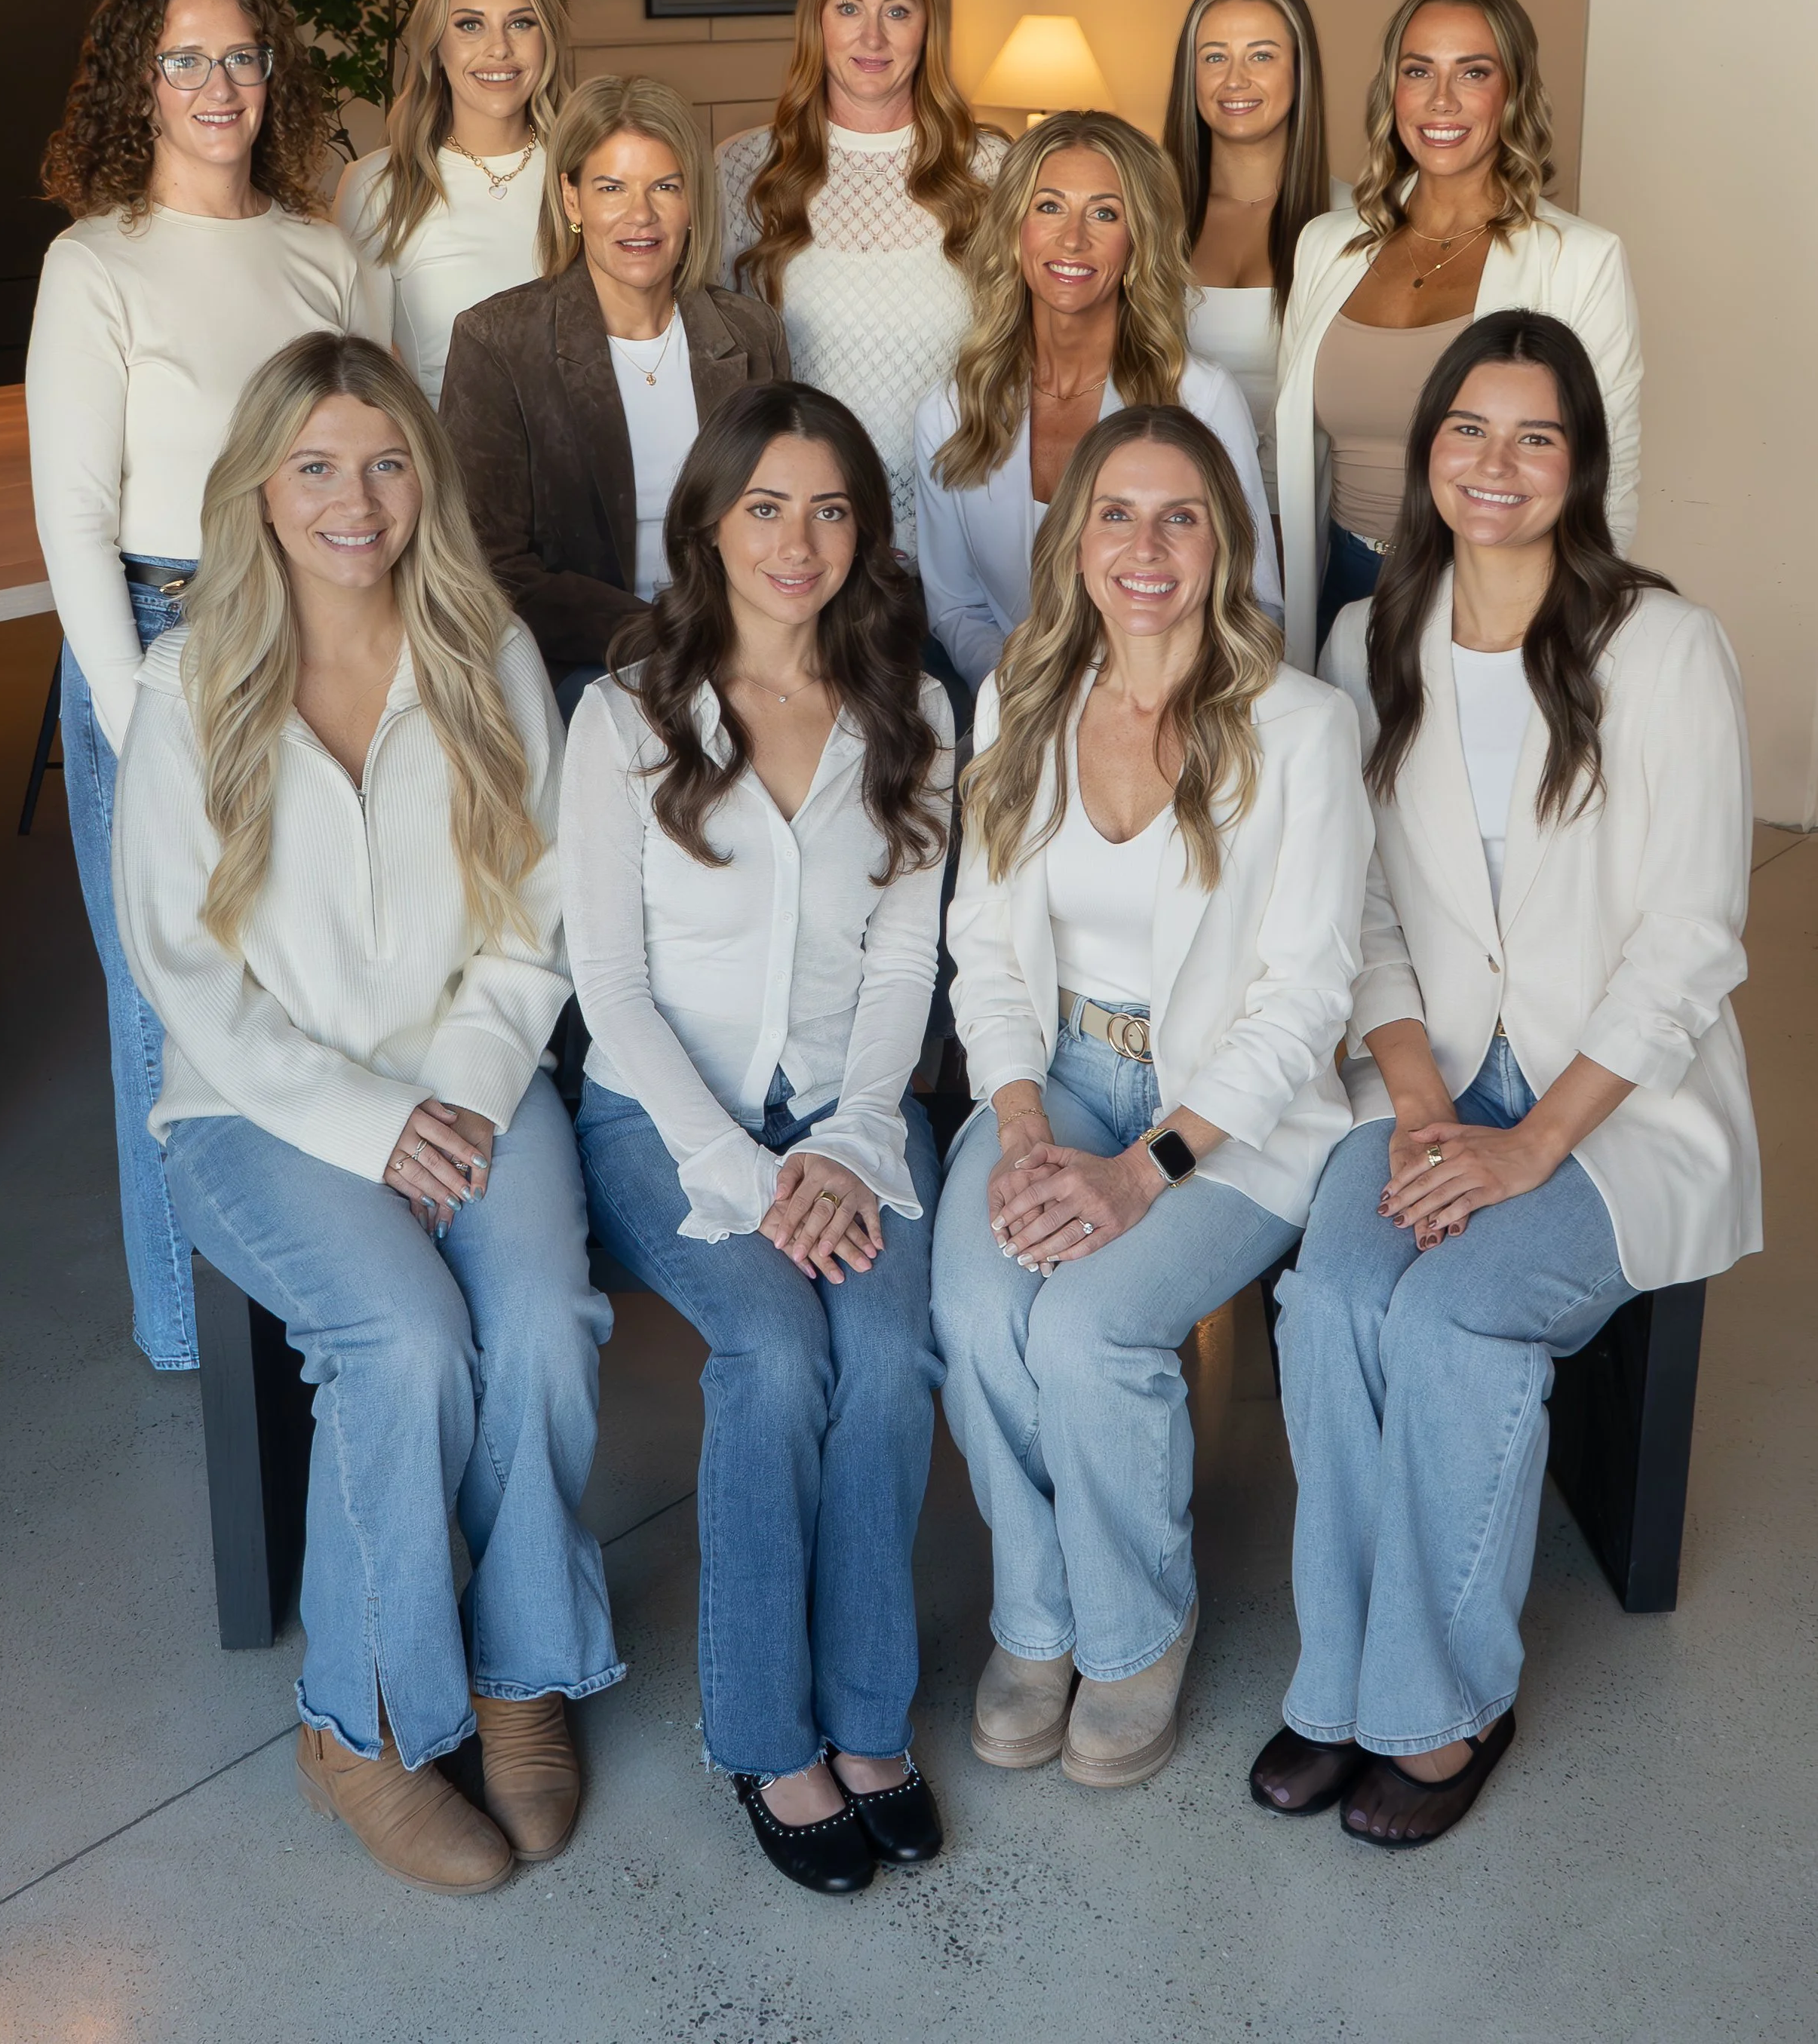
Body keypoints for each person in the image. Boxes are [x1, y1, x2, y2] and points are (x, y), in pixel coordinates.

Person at [112, 333, 620, 1896]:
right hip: (257, 1109)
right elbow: (182, 974)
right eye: (317, 466)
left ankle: (522, 1674)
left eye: (387, 462)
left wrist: (454, 1098)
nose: (356, 498)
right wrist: (361, 1126)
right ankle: (362, 1722)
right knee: (402, 1342)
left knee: (534, 1319)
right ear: (257, 490)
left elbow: (540, 919)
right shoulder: (186, 684)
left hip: (470, 1075)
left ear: (426, 481)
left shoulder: (487, 655)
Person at [1253, 311, 1759, 1849]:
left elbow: (1688, 940)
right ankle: (1336, 1681)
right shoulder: (1363, 642)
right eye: (1468, 430)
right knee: (1333, 1295)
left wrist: (1529, 1143)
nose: (1496, 463)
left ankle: (1445, 1702)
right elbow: (1370, 917)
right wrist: (1414, 1106)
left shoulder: (1662, 648)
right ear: (1423, 456)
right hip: (1426, 1080)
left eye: (1534, 436)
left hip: (1608, 1113)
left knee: (1453, 1311)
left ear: (1578, 467)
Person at [932, 404, 1369, 1791]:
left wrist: (1141, 1170)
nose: (1147, 544)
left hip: (1234, 1112)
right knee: (980, 1306)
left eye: (1181, 515)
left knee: (1092, 1331)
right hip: (1054, 1068)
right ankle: (1040, 1616)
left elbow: (1305, 1000)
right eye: (1117, 512)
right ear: (1074, 540)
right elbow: (986, 950)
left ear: (1224, 544)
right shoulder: (1022, 697)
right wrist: (1019, 1127)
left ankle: (1134, 1630)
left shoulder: (1301, 728)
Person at [560, 380, 954, 1895]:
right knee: (778, 1357)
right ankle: (760, 1732)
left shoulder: (913, 712)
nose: (798, 541)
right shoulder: (625, 718)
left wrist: (851, 1147)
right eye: (765, 507)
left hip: (847, 1126)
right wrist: (744, 1172)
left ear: (866, 530)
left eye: (832, 507)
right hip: (667, 1123)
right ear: (708, 525)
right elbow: (609, 987)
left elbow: (904, 967)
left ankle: (866, 1716)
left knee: (888, 1352)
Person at [29, 0, 382, 1371]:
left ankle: (328, 1283)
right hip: (164, 634)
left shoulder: (324, 252)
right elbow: (75, 514)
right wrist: (134, 725)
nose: (219, 87)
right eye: (185, 61)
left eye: (242, 58)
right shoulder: (94, 259)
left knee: (308, 965)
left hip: (316, 625)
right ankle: (188, 1333)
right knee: (164, 991)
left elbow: (375, 461)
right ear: (140, 83)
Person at [1272, 0, 1642, 670]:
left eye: (1473, 72)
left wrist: (1580, 644)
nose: (1442, 100)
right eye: (1420, 71)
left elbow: (1609, 480)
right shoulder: (1326, 244)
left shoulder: (1579, 261)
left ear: (1514, 93)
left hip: (1496, 599)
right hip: (1337, 587)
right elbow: (1291, 451)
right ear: (1394, 91)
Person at [441, 72, 787, 716]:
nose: (641, 216)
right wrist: (666, 641)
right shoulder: (497, 341)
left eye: (665, 186)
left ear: (692, 201)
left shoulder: (750, 332)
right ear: (571, 201)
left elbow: (780, 515)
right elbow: (489, 565)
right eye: (611, 188)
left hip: (745, 648)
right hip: (578, 666)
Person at [914, 112, 1279, 697]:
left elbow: (1256, 602)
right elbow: (956, 608)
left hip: (1173, 712)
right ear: (1015, 229)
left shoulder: (1201, 399)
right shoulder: (952, 410)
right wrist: (1031, 699)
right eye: (1050, 206)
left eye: (1105, 213)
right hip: (1012, 708)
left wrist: (1129, 707)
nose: (1073, 239)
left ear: (1139, 241)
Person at [717, 0, 1006, 566]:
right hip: (794, 545)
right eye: (848, 8)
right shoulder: (743, 171)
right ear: (816, 24)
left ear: (926, 27)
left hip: (957, 534)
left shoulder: (989, 168)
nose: (872, 36)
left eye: (897, 11)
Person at [334, 0, 570, 407]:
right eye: (470, 25)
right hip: (451, 470)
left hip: (589, 465)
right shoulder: (379, 187)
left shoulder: (587, 171)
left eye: (521, 23)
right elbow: (365, 377)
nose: (499, 49)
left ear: (546, 37)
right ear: (435, 46)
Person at [1164, 0, 1349, 514]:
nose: (1235, 80)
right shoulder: (1146, 216)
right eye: (1215, 56)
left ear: (1301, 70)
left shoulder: (1355, 225)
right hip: (1168, 522)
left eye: (1261, 56)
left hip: (1304, 530)